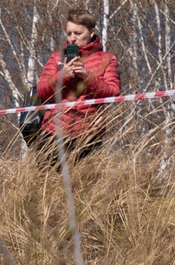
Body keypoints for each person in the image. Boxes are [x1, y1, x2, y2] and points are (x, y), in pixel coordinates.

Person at [33, 8, 122, 158]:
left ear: (91, 32)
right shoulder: (56, 57)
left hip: (89, 135)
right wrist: (63, 76)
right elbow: (41, 91)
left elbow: (113, 91)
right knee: (48, 181)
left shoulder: (107, 59)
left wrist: (87, 77)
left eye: (78, 33)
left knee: (85, 181)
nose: (72, 38)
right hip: (53, 132)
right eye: (69, 33)